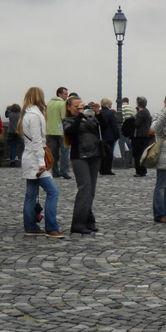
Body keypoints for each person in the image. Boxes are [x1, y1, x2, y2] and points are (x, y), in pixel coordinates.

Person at [17, 87, 62, 238]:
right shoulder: (35, 115)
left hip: (30, 157)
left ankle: (30, 225)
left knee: (31, 194)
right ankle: (51, 227)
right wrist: (42, 162)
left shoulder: (26, 114)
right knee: (52, 192)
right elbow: (37, 141)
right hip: (36, 159)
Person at [63, 95, 104, 235]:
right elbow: (71, 132)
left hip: (95, 155)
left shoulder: (90, 118)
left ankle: (88, 219)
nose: (80, 108)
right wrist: (80, 115)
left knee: (91, 190)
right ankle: (78, 223)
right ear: (69, 108)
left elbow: (104, 127)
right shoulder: (68, 120)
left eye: (81, 105)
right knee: (84, 189)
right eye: (77, 106)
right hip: (80, 156)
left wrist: (97, 112)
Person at [151, 94, 166, 223]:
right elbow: (154, 129)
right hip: (163, 154)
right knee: (162, 186)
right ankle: (159, 213)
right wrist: (165, 114)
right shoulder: (159, 114)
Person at [46, 87, 70, 179]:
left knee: (53, 152)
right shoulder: (62, 104)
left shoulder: (49, 104)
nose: (67, 96)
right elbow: (64, 118)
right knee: (65, 152)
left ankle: (55, 171)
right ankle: (64, 171)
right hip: (61, 131)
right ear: (60, 94)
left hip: (51, 131)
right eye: (65, 94)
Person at [98, 98, 120, 175]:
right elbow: (114, 125)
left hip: (101, 136)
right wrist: (117, 135)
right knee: (109, 153)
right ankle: (108, 169)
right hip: (110, 136)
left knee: (101, 153)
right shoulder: (110, 113)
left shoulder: (99, 112)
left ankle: (101, 169)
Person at [131, 97, 151, 177]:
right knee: (142, 153)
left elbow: (137, 124)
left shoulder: (141, 112)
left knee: (138, 154)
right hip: (145, 135)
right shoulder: (146, 111)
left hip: (139, 135)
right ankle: (142, 170)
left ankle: (139, 170)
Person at [119, 97, 134, 168]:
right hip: (130, 130)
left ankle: (124, 162)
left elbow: (122, 119)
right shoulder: (131, 109)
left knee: (123, 146)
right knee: (129, 147)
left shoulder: (122, 108)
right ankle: (129, 163)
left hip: (124, 130)